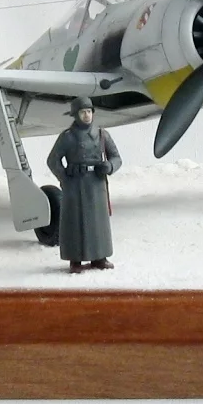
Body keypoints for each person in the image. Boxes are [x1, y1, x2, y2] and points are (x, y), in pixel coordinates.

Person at [46, 97, 122, 273]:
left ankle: (100, 257)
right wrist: (64, 178)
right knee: (75, 221)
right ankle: (76, 260)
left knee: (98, 221)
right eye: (82, 112)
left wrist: (109, 166)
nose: (87, 115)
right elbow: (53, 160)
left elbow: (116, 157)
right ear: (75, 115)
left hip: (96, 183)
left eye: (89, 111)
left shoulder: (102, 134)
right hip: (75, 184)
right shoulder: (68, 136)